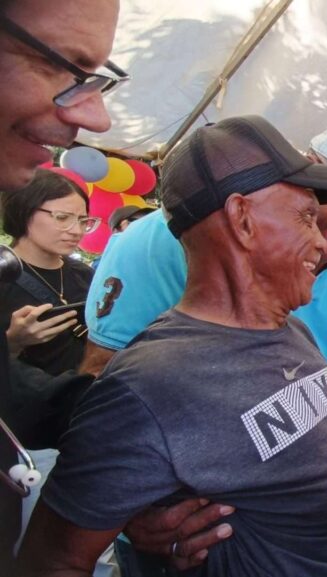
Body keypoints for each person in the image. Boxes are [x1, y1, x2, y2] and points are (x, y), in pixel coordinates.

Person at [15, 115, 327, 577]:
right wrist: (131, 513)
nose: (322, 241)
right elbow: (52, 559)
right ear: (243, 220)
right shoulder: (149, 385)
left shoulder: (294, 333)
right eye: (306, 217)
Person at [0, 0, 121, 564]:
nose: (96, 119)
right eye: (63, 68)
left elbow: (26, 399)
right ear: (26, 214)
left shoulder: (86, 274)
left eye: (82, 220)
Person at [1, 170, 98, 375]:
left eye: (83, 221)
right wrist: (12, 344)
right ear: (23, 210)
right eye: (62, 218)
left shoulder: (85, 274)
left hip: (85, 396)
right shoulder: (4, 275)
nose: (76, 231)